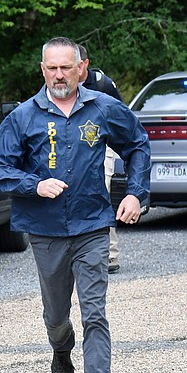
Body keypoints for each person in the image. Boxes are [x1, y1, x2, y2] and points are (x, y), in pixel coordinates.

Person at [0, 36, 151, 373]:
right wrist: (34, 184)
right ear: (42, 70)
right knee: (56, 315)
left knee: (95, 313)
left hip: (93, 225)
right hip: (45, 233)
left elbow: (139, 146)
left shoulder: (104, 108)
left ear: (82, 67)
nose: (59, 75)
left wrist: (135, 193)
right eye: (51, 68)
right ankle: (61, 346)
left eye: (66, 67)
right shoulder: (24, 117)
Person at [76, 43, 123, 274]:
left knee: (101, 193)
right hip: (72, 149)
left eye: (72, 64)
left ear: (84, 63)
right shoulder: (61, 84)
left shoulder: (103, 84)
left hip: (102, 146)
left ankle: (110, 255)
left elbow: (121, 118)